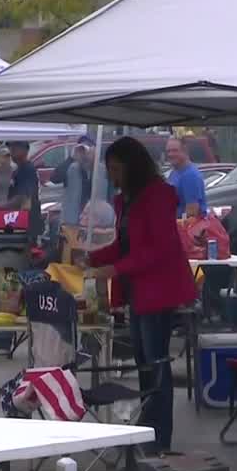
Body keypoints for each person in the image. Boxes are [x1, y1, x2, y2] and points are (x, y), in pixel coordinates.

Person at [87, 136, 196, 454]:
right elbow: (125, 244)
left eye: (115, 169)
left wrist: (116, 269)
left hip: (158, 293)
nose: (112, 176)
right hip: (138, 294)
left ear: (131, 166)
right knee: (144, 365)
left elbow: (158, 250)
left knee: (156, 365)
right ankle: (149, 431)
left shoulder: (158, 196)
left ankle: (159, 439)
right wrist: (92, 258)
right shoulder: (126, 200)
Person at [7, 141, 43, 239]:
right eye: (11, 149)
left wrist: (2, 205)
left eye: (14, 149)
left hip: (26, 220)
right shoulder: (17, 170)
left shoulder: (28, 169)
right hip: (16, 217)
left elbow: (25, 197)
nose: (11, 152)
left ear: (25, 150)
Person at [165, 137, 207, 218]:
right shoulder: (174, 172)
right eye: (168, 151)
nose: (170, 154)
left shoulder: (190, 175)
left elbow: (191, 213)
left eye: (174, 150)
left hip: (185, 229)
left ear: (185, 151)